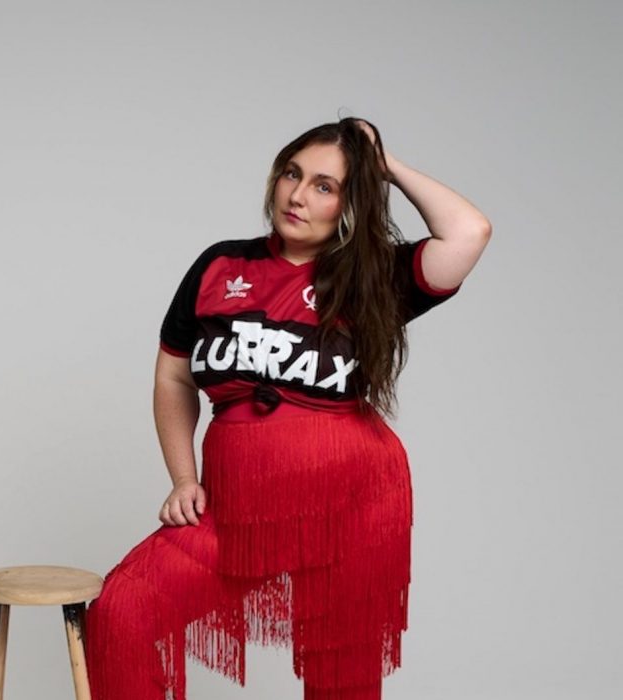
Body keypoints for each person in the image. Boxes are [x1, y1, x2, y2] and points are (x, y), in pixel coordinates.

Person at [84, 117, 492, 700]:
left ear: (351, 202)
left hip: (352, 505)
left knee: (341, 679)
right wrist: (183, 479)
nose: (298, 195)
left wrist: (386, 167)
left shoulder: (373, 277)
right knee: (122, 612)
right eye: (292, 174)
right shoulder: (220, 267)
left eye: (325, 186)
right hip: (238, 508)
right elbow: (173, 376)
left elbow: (469, 232)